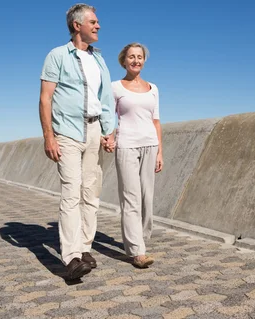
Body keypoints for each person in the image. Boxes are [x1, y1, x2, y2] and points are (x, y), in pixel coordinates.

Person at [38, 3, 115, 280]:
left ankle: (84, 247)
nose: (98, 26)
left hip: (95, 132)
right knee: (71, 193)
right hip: (68, 132)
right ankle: (70, 258)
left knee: (90, 193)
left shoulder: (99, 59)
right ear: (77, 25)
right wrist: (49, 136)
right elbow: (46, 98)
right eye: (93, 22)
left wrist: (110, 131)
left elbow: (105, 99)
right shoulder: (57, 55)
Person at [104, 42, 163, 268]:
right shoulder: (115, 87)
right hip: (126, 145)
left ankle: (140, 238)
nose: (136, 60)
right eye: (131, 57)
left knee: (147, 198)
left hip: (150, 144)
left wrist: (160, 151)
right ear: (124, 61)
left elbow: (156, 121)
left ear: (144, 61)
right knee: (131, 198)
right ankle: (137, 251)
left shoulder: (153, 88)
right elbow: (109, 116)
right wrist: (108, 137)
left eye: (139, 57)